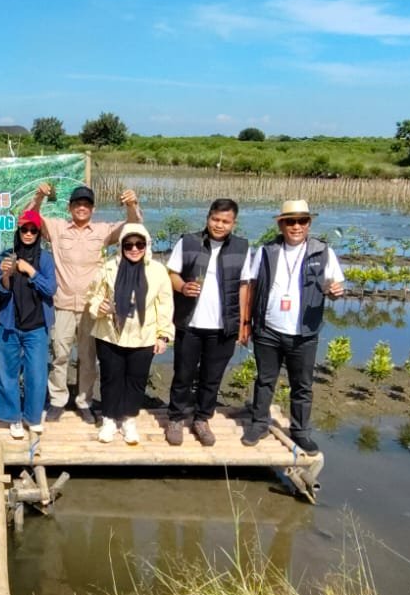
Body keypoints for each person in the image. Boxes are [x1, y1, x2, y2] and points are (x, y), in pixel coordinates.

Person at [24, 182, 142, 424]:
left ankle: (84, 401)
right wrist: (38, 197)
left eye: (86, 204)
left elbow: (134, 228)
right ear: (69, 208)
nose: (81, 208)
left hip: (92, 307)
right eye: (77, 204)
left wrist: (132, 204)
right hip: (62, 304)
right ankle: (57, 400)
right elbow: (29, 218)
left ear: (93, 208)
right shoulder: (57, 228)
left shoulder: (103, 230)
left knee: (88, 358)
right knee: (60, 354)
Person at [242, 199, 345, 453]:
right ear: (281, 225)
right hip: (268, 330)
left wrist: (335, 292)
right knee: (265, 380)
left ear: (309, 224)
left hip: (304, 332)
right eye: (290, 221)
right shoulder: (267, 251)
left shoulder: (323, 252)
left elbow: (335, 287)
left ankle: (300, 431)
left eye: (302, 221)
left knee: (302, 385)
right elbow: (251, 287)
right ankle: (259, 424)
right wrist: (247, 323)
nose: (296, 226)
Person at [164, 198, 253, 447]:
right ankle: (176, 418)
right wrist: (182, 286)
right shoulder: (189, 242)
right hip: (189, 323)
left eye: (225, 221)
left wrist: (244, 323)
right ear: (208, 218)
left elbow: (245, 286)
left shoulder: (242, 247)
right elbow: (171, 273)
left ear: (234, 223)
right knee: (183, 373)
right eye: (215, 219)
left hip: (223, 326)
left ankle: (202, 419)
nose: (219, 225)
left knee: (212, 377)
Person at [86, 223, 173, 445]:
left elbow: (165, 305)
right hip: (110, 334)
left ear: (146, 245)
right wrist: (99, 307)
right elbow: (93, 296)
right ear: (121, 246)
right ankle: (108, 419)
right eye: (129, 245)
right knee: (110, 378)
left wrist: (163, 335)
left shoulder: (157, 271)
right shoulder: (108, 268)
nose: (134, 249)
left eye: (139, 244)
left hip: (143, 336)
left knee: (136, 380)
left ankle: (128, 420)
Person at [0, 210, 57, 439]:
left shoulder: (46, 259)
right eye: (24, 230)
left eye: (33, 230)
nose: (28, 234)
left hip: (37, 325)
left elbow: (50, 289)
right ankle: (13, 418)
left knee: (37, 374)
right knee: (7, 373)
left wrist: (30, 271)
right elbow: (0, 292)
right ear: (18, 231)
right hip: (9, 323)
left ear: (39, 232)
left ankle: (32, 416)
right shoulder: (6, 255)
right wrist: (6, 276)